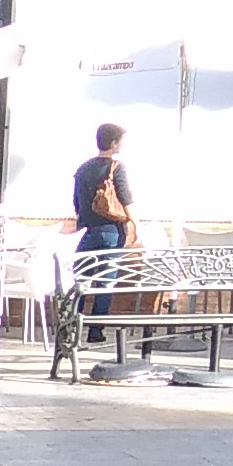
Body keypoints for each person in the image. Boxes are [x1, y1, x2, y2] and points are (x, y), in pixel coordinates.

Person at [71, 125, 132, 339]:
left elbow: (76, 203)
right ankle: (95, 331)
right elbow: (125, 199)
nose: (122, 144)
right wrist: (135, 225)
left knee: (81, 280)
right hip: (112, 232)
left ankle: (73, 326)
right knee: (105, 281)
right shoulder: (116, 168)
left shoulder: (83, 169)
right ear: (113, 143)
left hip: (88, 232)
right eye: (120, 140)